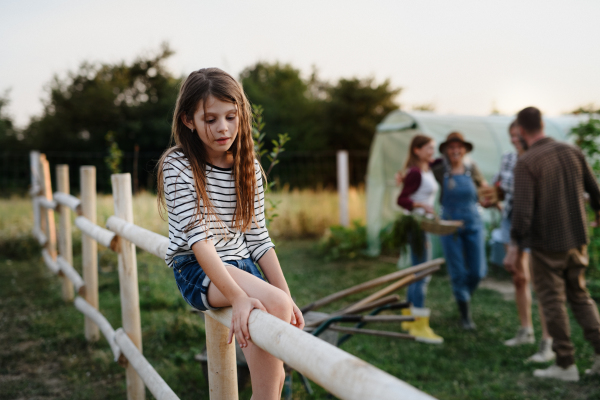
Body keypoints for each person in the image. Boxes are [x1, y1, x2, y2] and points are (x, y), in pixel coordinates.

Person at [157, 68, 304, 399]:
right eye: (210, 119)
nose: (223, 128)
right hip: (198, 268)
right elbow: (199, 242)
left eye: (230, 116)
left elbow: (258, 238)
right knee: (269, 384)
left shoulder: (246, 166)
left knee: (274, 381)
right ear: (188, 120)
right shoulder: (178, 165)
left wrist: (287, 294)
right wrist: (238, 297)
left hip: (244, 265)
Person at [505, 106, 600, 382]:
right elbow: (595, 190)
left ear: (521, 131)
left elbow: (521, 213)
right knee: (580, 296)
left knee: (552, 302)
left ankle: (565, 364)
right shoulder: (571, 150)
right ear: (542, 125)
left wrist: (513, 248)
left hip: (547, 244)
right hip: (577, 238)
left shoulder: (528, 161)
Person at [495, 121, 554, 362]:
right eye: (510, 135)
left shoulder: (540, 158)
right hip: (511, 221)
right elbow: (500, 189)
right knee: (519, 278)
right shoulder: (508, 159)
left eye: (517, 134)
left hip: (535, 224)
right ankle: (525, 330)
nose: (514, 138)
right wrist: (493, 197)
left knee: (541, 283)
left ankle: (547, 342)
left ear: (527, 133)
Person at [432, 132, 488, 330]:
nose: (455, 150)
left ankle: (463, 296)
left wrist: (491, 199)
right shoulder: (438, 169)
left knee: (478, 271)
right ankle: (465, 315)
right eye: (451, 147)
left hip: (473, 222)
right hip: (449, 226)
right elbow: (418, 171)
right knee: (457, 271)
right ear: (446, 150)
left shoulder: (472, 168)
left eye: (459, 147)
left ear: (464, 149)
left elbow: (484, 189)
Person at [396, 134, 443, 344]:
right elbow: (402, 199)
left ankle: (408, 318)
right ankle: (419, 325)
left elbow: (441, 161)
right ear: (417, 150)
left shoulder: (425, 167)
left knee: (417, 271)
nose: (432, 152)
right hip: (417, 226)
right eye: (428, 148)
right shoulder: (416, 172)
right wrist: (421, 205)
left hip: (422, 225)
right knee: (422, 274)